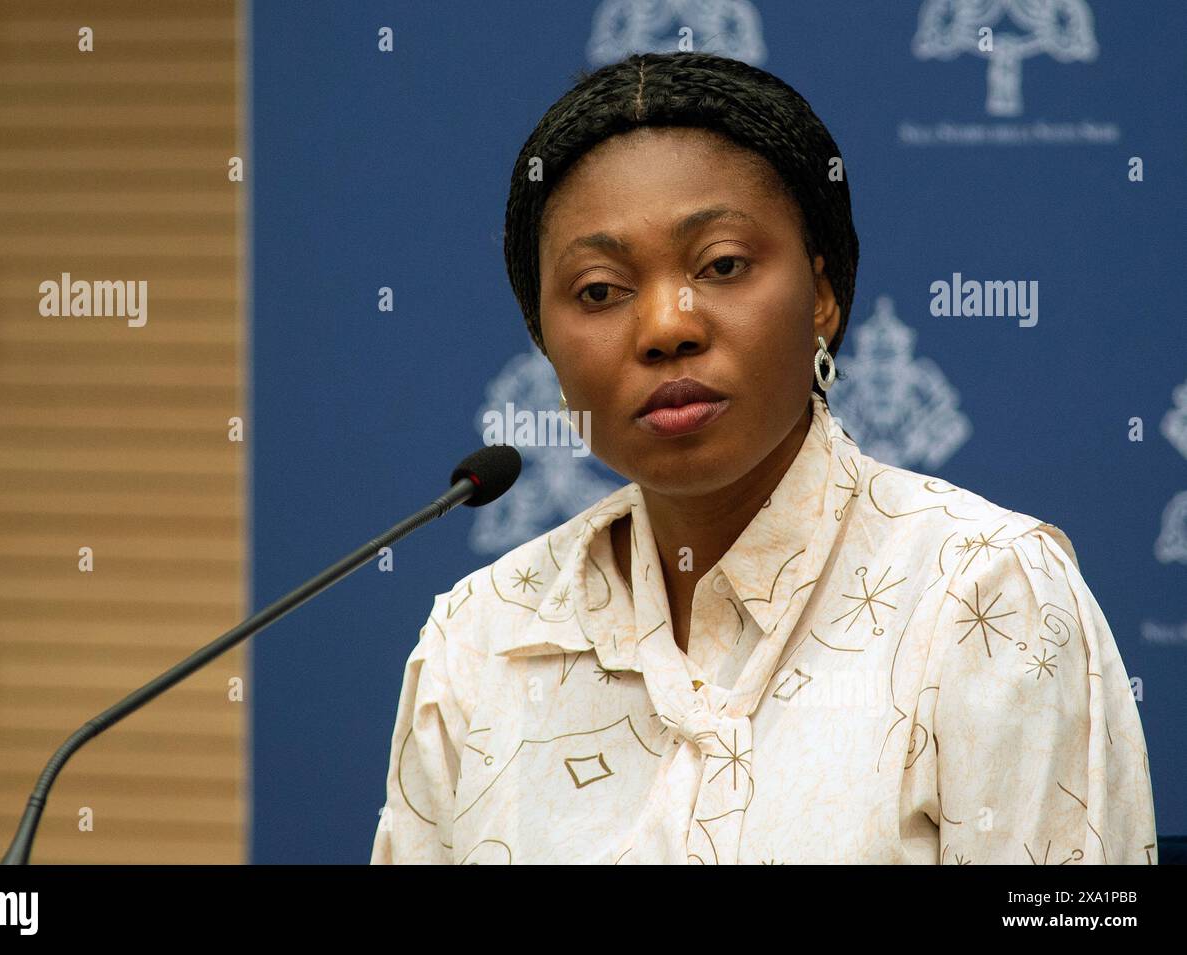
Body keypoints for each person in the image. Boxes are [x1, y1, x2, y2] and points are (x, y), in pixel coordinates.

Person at [370, 51, 1156, 864]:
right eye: (600, 290)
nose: (666, 326)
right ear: (546, 340)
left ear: (822, 294)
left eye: (722, 266)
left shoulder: (982, 597)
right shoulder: (481, 639)